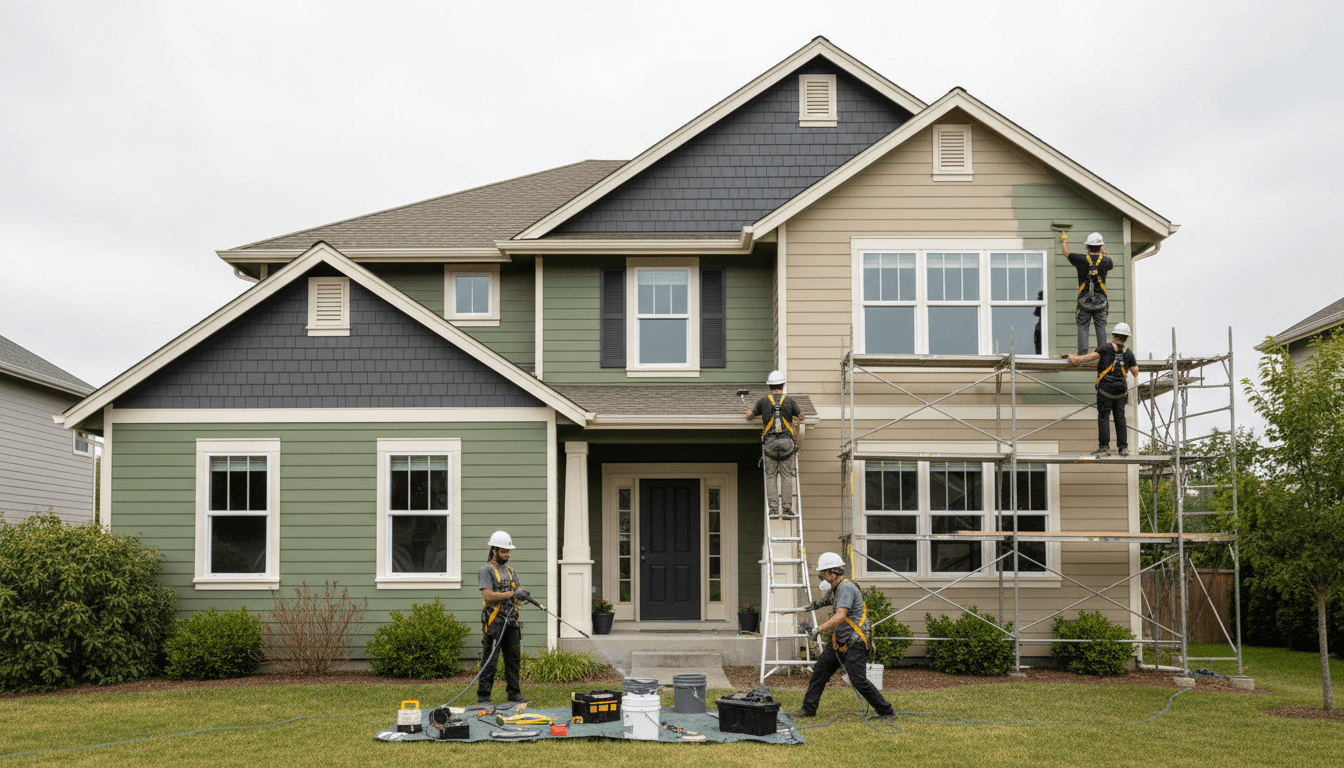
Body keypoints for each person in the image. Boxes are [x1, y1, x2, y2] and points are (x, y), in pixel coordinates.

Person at [786, 552, 895, 721]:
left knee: (858, 680)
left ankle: (886, 712)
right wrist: (805, 608)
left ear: (832, 572)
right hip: (839, 642)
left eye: (824, 572)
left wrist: (819, 629)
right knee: (820, 671)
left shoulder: (845, 588)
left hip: (856, 642)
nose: (823, 576)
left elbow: (841, 615)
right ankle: (808, 709)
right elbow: (822, 602)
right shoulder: (836, 589)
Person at [1068, 322, 1138, 456]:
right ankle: (1123, 448)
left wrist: (1073, 359)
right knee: (1120, 418)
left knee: (1104, 416)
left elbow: (1086, 359)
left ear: (1113, 335)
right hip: (1120, 391)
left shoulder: (1105, 348)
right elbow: (1135, 372)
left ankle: (1104, 447)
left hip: (1105, 390)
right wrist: (1127, 362)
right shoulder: (1128, 352)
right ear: (1126, 338)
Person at [478, 530, 530, 705]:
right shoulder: (486, 570)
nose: (507, 554)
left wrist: (522, 596)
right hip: (494, 622)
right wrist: (511, 594)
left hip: (512, 622)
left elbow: (516, 594)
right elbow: (488, 595)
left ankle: (514, 694)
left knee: (513, 659)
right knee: (490, 660)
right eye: (503, 551)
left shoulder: (511, 571)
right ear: (494, 551)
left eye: (508, 551)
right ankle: (484, 697)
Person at [744, 370, 804, 518]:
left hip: (770, 443)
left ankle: (774, 509)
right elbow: (801, 416)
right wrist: (794, 418)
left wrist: (748, 410)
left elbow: (749, 417)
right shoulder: (790, 402)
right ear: (783, 385)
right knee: (786, 475)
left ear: (770, 387)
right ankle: (787, 509)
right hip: (787, 443)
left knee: (770, 476)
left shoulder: (763, 402)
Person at [1064, 231, 1113, 353]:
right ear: (1101, 246)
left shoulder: (1081, 259)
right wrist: (1103, 251)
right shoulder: (1106, 261)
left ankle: (1082, 355)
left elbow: (1066, 253)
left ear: (1087, 247)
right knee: (1101, 326)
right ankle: (1103, 354)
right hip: (1101, 301)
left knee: (1083, 327)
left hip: (1084, 300)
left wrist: (1064, 241)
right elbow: (1110, 263)